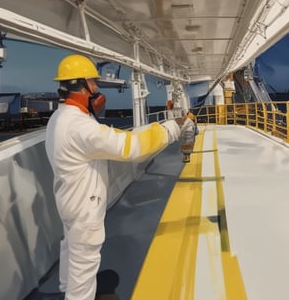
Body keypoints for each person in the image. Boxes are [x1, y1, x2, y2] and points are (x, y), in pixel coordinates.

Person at [45, 54, 186, 300]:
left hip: (68, 201)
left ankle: (66, 290)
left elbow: (109, 137)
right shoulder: (80, 126)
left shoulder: (62, 118)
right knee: (84, 265)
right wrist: (174, 127)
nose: (98, 89)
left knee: (71, 251)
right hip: (83, 208)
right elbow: (131, 147)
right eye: (94, 83)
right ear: (81, 86)